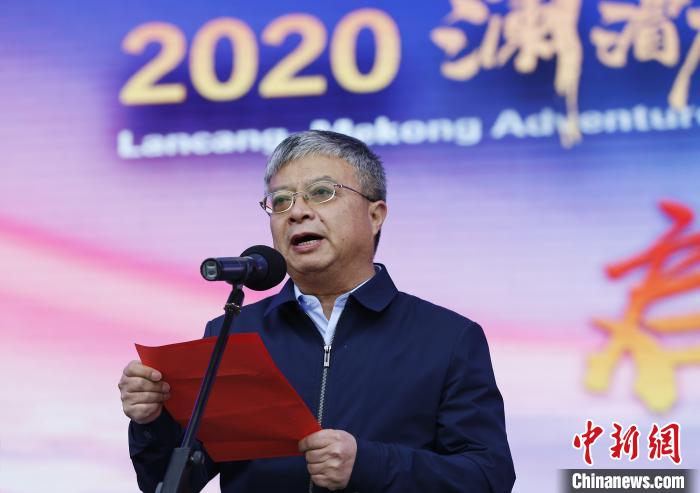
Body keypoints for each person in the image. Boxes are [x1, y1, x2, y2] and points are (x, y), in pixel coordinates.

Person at [119, 130, 516, 492]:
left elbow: (488, 477)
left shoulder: (447, 338)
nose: (297, 212)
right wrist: (152, 420)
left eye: (322, 192)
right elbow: (170, 482)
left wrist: (369, 465)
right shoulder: (233, 332)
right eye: (281, 201)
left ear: (375, 215)